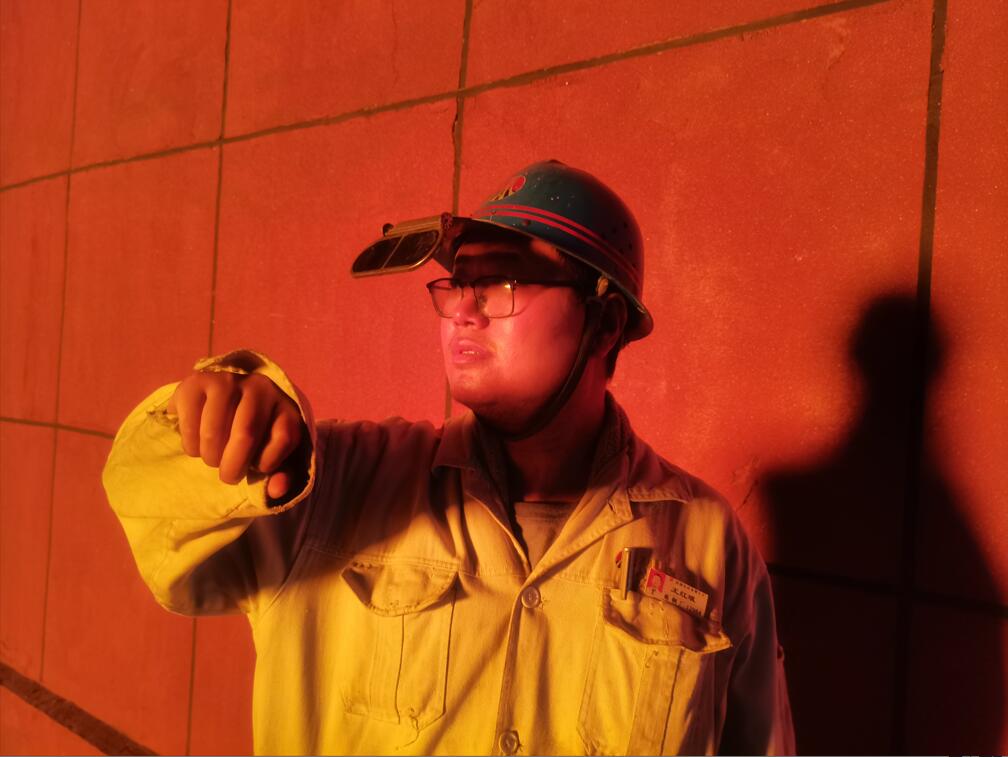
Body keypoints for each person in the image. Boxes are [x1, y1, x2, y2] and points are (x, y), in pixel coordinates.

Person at [103, 160, 794, 755]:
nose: (463, 308)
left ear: (605, 323)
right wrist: (222, 421)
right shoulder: (335, 485)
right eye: (458, 282)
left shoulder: (707, 542)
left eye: (503, 281)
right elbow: (155, 514)